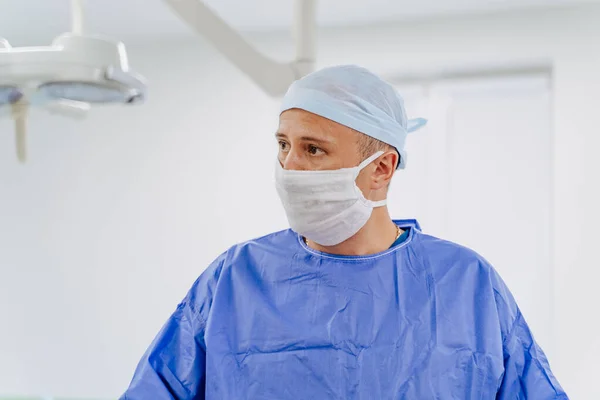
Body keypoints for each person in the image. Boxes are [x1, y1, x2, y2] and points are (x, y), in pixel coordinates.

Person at [120, 65, 567, 399]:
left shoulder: (465, 285)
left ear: (381, 168)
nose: (289, 165)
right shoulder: (235, 280)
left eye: (313, 149)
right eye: (283, 145)